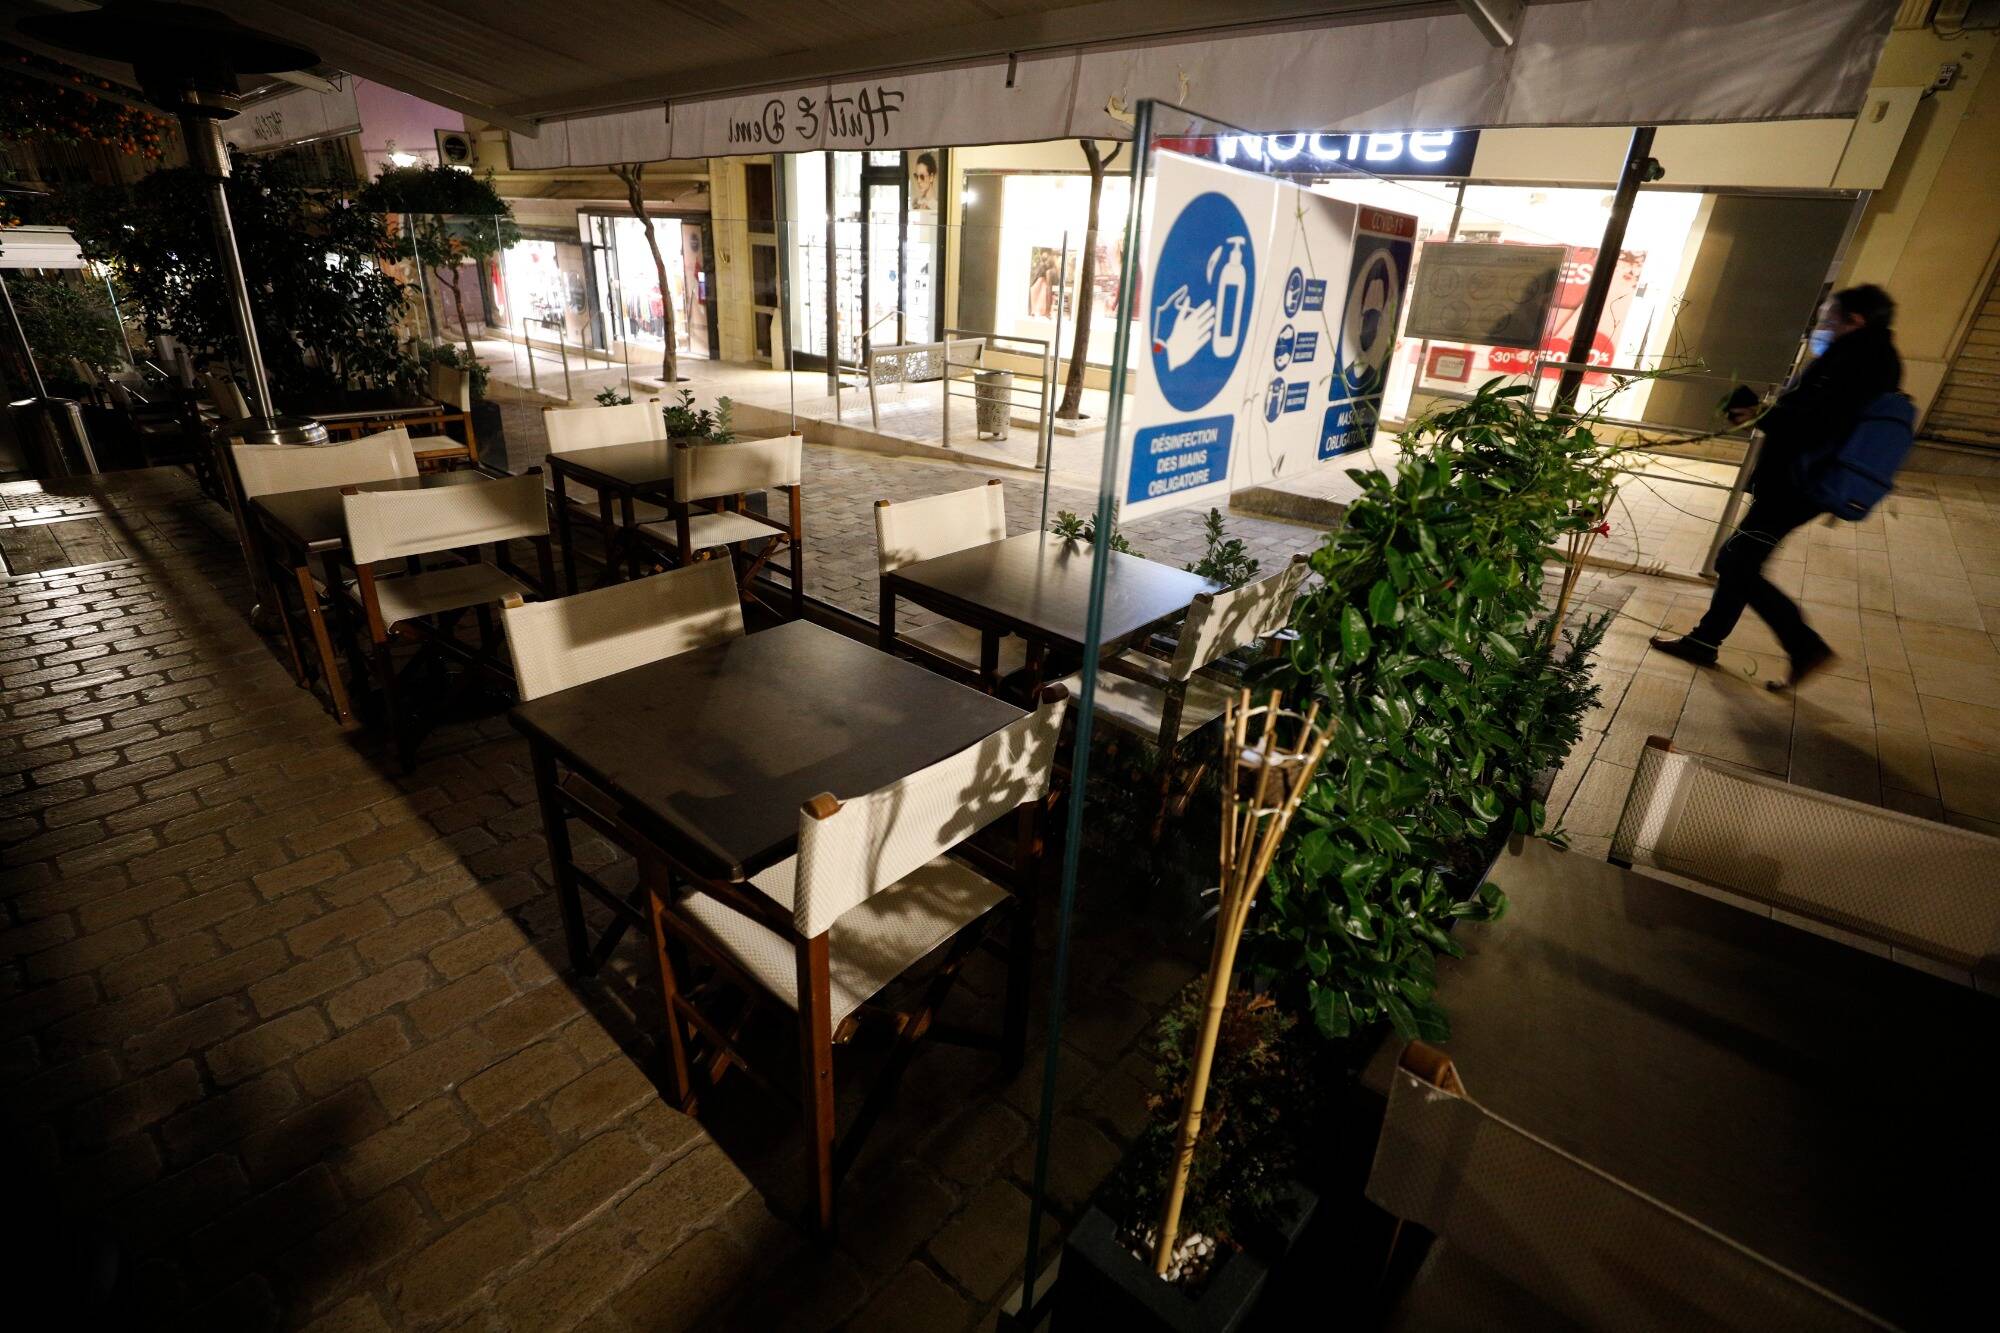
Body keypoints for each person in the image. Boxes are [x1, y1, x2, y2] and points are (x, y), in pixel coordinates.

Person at [1650, 284, 1902, 689]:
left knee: (1735, 561)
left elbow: (1817, 422)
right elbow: (1819, 414)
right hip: (1803, 479)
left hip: (1798, 482)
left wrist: (1758, 415)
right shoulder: (1875, 356)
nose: (1823, 324)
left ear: (1855, 320)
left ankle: (1804, 646)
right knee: (1742, 559)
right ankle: (1705, 640)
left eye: (1830, 317)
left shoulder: (1857, 358)